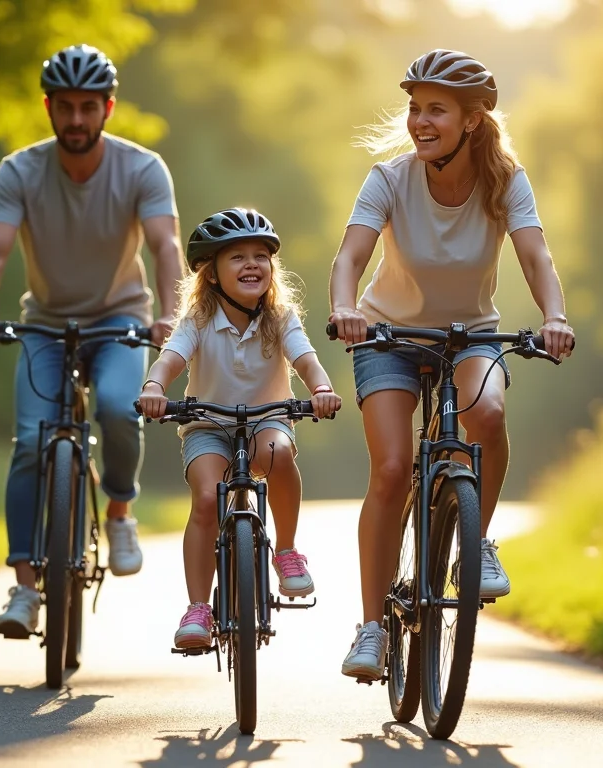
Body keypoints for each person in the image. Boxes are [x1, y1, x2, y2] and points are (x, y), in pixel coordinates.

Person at [328, 49, 576, 680]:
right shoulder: (388, 179)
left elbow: (536, 256)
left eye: (435, 109)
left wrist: (555, 317)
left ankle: (478, 540)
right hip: (386, 335)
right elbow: (350, 257)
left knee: (487, 415)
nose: (419, 121)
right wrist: (343, 307)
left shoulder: (504, 181)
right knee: (390, 469)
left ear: (470, 120)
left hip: (470, 335)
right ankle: (371, 629)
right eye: (414, 108)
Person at [0, 44, 185, 638]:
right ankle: (25, 589)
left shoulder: (141, 168)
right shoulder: (19, 170)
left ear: (108, 108)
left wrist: (171, 315)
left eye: (89, 107)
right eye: (66, 107)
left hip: (121, 321)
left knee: (115, 408)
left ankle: (118, 508)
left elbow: (164, 246)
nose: (77, 120)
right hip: (45, 324)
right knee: (32, 443)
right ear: (49, 108)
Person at [137, 208, 342, 648]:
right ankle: (198, 607)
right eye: (237, 257)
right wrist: (155, 385)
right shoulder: (197, 319)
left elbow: (304, 357)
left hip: (267, 419)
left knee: (280, 455)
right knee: (208, 499)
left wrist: (321, 387)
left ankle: (285, 550)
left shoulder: (281, 317)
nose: (252, 264)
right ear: (211, 275)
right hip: (207, 424)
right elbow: (172, 357)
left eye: (260, 256)